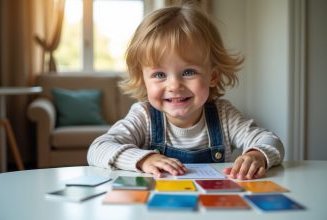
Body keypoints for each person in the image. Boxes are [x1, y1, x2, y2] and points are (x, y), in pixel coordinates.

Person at [87, 1, 284, 180]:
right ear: (144, 80)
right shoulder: (143, 116)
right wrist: (143, 160)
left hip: (213, 201)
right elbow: (97, 149)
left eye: (188, 71)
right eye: (159, 74)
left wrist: (256, 155)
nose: (174, 86)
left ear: (213, 76)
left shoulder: (224, 116)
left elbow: (270, 140)